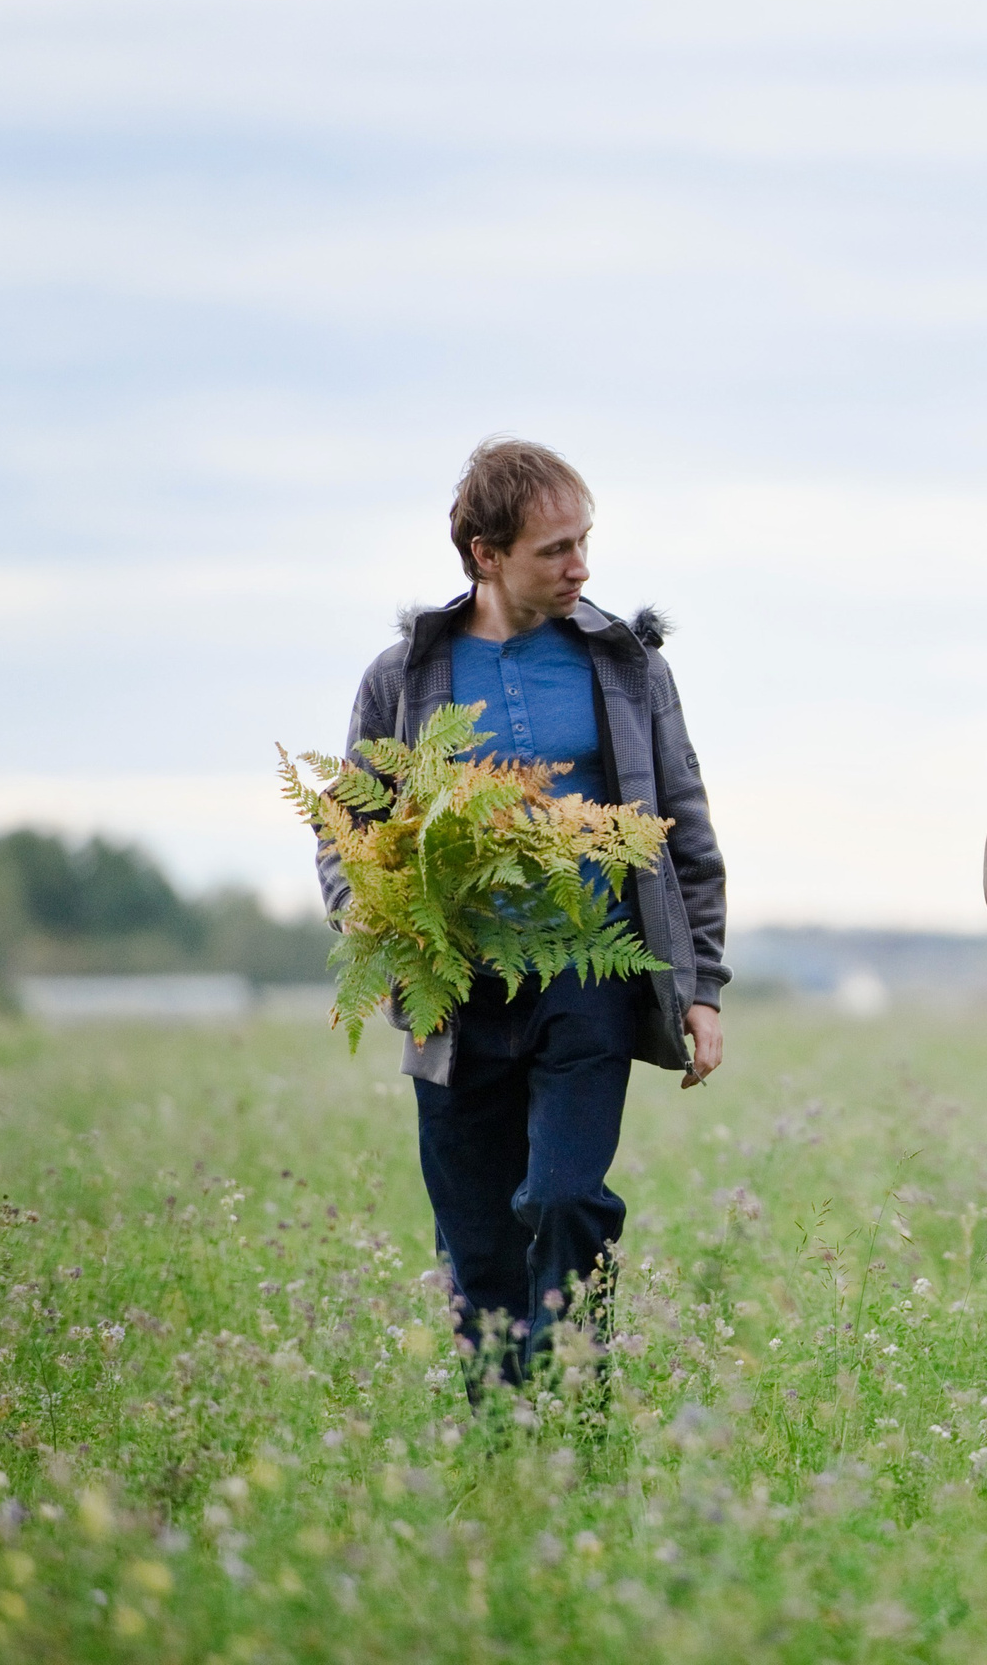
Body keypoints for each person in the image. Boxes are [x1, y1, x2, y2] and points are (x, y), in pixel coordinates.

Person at [317, 437, 729, 1385]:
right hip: (452, 999)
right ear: (484, 554)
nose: (580, 567)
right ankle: (503, 1450)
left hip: (591, 978)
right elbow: (351, 831)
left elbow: (686, 831)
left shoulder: (627, 670)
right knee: (480, 1249)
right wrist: (378, 925)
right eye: (555, 550)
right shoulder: (404, 677)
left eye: (585, 543)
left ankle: (576, 1407)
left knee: (565, 1197)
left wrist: (702, 986)